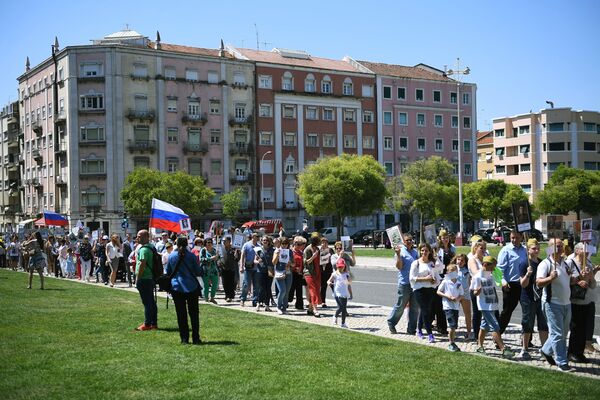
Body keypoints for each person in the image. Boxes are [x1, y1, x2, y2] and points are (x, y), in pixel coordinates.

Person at [536, 238, 572, 371]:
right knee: (557, 334)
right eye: (557, 246)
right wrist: (550, 278)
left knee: (563, 333)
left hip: (567, 303)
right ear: (550, 248)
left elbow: (569, 281)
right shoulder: (545, 264)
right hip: (552, 303)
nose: (560, 248)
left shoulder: (565, 263)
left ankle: (546, 350)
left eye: (561, 246)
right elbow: (538, 282)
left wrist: (578, 279)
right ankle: (562, 361)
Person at [471, 256, 514, 358]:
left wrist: (505, 285)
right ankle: (503, 349)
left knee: (484, 326)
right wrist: (477, 291)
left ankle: (479, 347)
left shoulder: (491, 275)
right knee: (495, 327)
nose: (494, 268)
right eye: (493, 266)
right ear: (485, 265)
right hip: (485, 306)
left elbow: (499, 282)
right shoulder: (477, 277)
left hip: (493, 304)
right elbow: (474, 292)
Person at [167, 236, 203, 344]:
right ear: (187, 244)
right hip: (191, 286)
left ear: (176, 244)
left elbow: (168, 272)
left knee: (181, 314)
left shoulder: (171, 256)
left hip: (177, 287)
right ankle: (196, 338)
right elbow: (197, 271)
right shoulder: (191, 256)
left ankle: (184, 339)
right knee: (194, 314)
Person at [518, 238, 548, 360]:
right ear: (528, 250)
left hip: (541, 297)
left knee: (543, 323)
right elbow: (523, 284)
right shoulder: (524, 263)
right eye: (533, 248)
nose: (536, 250)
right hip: (528, 298)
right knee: (527, 323)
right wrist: (527, 275)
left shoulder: (542, 263)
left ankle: (545, 349)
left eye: (538, 248)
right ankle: (524, 348)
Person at [566, 242, 596, 363]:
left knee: (584, 329)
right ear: (577, 251)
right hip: (575, 300)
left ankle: (580, 352)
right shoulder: (570, 263)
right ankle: (572, 353)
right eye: (585, 249)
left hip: (587, 300)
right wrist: (578, 281)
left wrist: (591, 276)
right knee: (575, 328)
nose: (588, 252)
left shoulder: (588, 263)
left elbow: (593, 285)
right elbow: (565, 281)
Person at [409, 243, 442, 343]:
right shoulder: (416, 263)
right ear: (420, 251)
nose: (424, 252)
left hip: (430, 289)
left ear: (429, 252)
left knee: (426, 310)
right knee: (426, 310)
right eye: (422, 250)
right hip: (419, 290)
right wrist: (425, 279)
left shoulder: (432, 263)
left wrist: (433, 280)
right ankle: (430, 333)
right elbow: (412, 278)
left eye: (426, 250)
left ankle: (419, 329)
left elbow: (438, 273)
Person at [496, 230, 527, 334]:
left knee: (527, 313)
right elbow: (498, 270)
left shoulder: (525, 250)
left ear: (521, 238)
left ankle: (527, 339)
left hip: (523, 284)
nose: (514, 240)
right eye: (512, 237)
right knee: (506, 312)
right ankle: (498, 336)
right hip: (510, 285)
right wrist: (502, 282)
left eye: (517, 238)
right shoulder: (505, 250)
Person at [387, 234, 419, 335]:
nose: (409, 242)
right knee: (401, 305)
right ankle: (391, 322)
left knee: (414, 307)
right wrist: (398, 255)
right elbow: (399, 267)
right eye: (407, 240)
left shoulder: (415, 253)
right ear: (403, 242)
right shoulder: (400, 252)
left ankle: (411, 329)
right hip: (404, 283)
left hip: (414, 283)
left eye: (410, 240)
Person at [437, 264, 463, 352]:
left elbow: (461, 294)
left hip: (456, 306)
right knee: (452, 325)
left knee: (454, 325)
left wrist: (458, 299)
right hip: (448, 306)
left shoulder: (459, 282)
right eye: (451, 271)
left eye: (454, 271)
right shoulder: (445, 281)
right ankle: (451, 343)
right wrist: (447, 296)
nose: (453, 273)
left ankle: (452, 342)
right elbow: (438, 291)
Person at [432, 230, 454, 335]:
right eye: (443, 237)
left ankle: (448, 324)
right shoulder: (437, 249)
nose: (445, 239)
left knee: (447, 303)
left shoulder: (452, 248)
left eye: (447, 237)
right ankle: (441, 326)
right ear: (440, 239)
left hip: (450, 277)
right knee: (439, 303)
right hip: (440, 278)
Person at [135, 230, 158, 331]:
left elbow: (142, 264)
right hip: (150, 278)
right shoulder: (152, 247)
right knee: (151, 302)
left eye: (139, 236)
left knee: (147, 303)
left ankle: (147, 324)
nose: (137, 238)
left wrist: (138, 278)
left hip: (144, 278)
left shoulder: (144, 250)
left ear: (145, 236)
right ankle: (154, 323)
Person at [452, 253, 473, 340]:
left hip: (465, 294)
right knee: (454, 313)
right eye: (458, 260)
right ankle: (454, 332)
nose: (460, 262)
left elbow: (470, 282)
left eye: (462, 260)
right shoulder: (453, 269)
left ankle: (469, 332)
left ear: (465, 262)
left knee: (467, 313)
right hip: (455, 295)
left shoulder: (467, 271)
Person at [328, 257, 352, 328]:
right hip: (337, 293)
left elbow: (349, 285)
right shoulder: (335, 274)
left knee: (344, 309)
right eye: (339, 267)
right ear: (337, 267)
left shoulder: (346, 274)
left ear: (344, 266)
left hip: (344, 293)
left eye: (342, 267)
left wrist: (351, 294)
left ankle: (343, 323)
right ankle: (335, 316)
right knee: (341, 307)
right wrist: (329, 282)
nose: (340, 268)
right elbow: (328, 280)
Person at [272, 237, 293, 314]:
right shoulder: (277, 251)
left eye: (286, 244)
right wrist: (278, 255)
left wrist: (290, 263)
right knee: (282, 290)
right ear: (280, 244)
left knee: (287, 292)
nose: (284, 245)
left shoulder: (290, 252)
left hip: (288, 272)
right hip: (279, 272)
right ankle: (278, 307)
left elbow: (294, 264)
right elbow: (273, 263)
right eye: (283, 244)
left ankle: (284, 308)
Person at [303, 234, 322, 317]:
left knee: (317, 291)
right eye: (319, 241)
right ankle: (315, 309)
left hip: (317, 272)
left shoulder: (317, 249)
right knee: (313, 290)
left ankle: (310, 308)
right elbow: (306, 262)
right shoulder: (307, 249)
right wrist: (313, 257)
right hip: (309, 273)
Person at [240, 233, 260, 307]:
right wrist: (241, 266)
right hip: (248, 268)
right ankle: (242, 299)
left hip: (256, 268)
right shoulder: (246, 245)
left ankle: (255, 301)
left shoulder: (259, 246)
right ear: (253, 237)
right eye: (257, 236)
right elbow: (242, 255)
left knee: (256, 285)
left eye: (258, 237)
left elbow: (260, 256)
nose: (258, 238)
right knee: (246, 284)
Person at [218, 236, 240, 302]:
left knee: (232, 282)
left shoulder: (234, 249)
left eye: (225, 241)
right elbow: (218, 257)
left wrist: (237, 254)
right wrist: (218, 263)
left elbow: (237, 259)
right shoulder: (220, 248)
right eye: (223, 241)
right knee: (225, 282)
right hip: (223, 267)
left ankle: (230, 295)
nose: (224, 242)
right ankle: (227, 295)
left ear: (229, 242)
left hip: (231, 268)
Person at [256, 235, 275, 312]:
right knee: (262, 288)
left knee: (268, 288)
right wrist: (258, 261)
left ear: (269, 242)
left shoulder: (272, 250)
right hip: (261, 271)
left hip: (270, 270)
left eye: (266, 240)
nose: (265, 241)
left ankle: (267, 305)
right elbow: (255, 260)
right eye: (263, 240)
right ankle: (258, 303)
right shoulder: (258, 250)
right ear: (261, 241)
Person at [288, 236, 307, 310]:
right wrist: (295, 268)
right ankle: (286, 302)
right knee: (291, 290)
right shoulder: (291, 252)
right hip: (292, 272)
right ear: (294, 244)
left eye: (300, 244)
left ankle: (299, 305)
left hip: (299, 273)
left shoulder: (301, 252)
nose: (299, 246)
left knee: (299, 290)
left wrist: (302, 271)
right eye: (298, 244)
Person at [200, 238, 219, 304]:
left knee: (215, 284)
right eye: (208, 242)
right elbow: (201, 259)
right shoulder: (203, 250)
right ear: (205, 243)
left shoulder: (214, 250)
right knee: (206, 285)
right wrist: (210, 258)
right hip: (206, 270)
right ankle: (206, 298)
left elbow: (217, 258)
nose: (209, 243)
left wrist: (217, 257)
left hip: (214, 270)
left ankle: (212, 297)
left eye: (210, 242)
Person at [318, 238, 334, 308]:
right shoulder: (318, 251)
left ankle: (339, 299)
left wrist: (329, 257)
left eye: (325, 243)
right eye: (322, 243)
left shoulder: (330, 250)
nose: (324, 244)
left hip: (329, 271)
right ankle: (323, 302)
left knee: (333, 286)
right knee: (323, 287)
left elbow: (333, 259)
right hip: (322, 271)